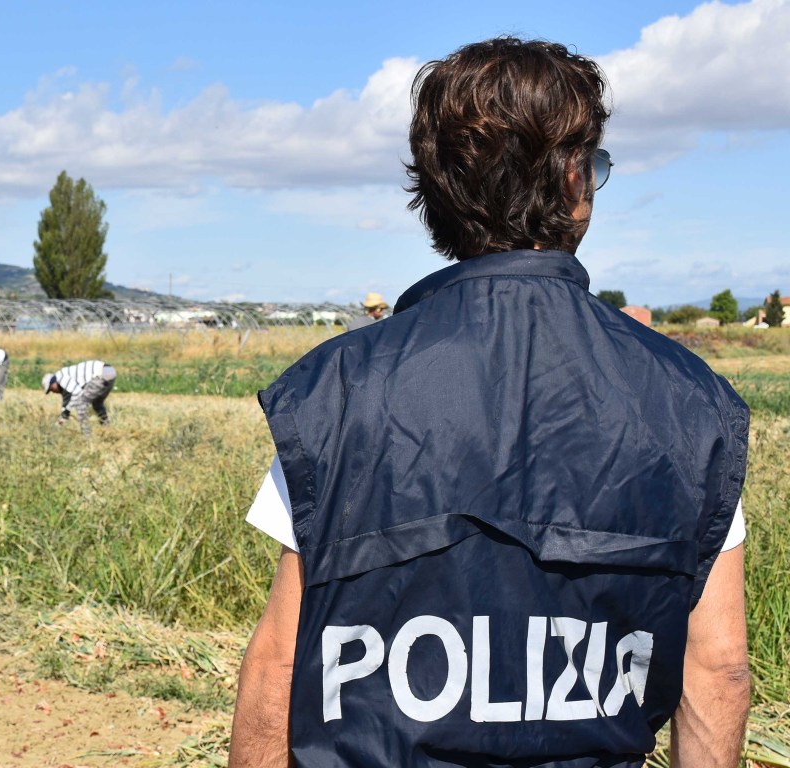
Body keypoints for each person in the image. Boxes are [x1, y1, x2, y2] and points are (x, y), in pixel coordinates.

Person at [229, 38, 750, 768]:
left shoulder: (340, 392)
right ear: (576, 181)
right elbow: (718, 670)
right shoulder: (694, 407)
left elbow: (279, 668)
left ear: (437, 195)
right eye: (593, 166)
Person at [41, 360, 117, 434]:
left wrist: (67, 411)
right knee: (97, 404)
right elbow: (65, 407)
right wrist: (57, 427)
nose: (53, 392)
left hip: (102, 373)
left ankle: (87, 436)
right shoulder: (65, 387)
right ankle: (108, 430)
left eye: (51, 389)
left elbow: (77, 393)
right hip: (110, 371)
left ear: (53, 383)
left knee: (81, 404)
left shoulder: (61, 378)